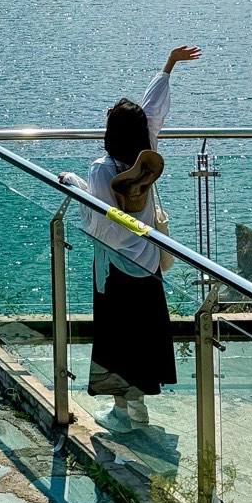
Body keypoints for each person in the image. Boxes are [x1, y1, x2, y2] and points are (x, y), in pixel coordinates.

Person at [61, 44, 200, 432]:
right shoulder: (148, 156)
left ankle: (124, 414)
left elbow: (100, 220)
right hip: (149, 262)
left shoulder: (103, 170)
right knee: (143, 335)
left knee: (118, 340)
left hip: (117, 269)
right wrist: (168, 67)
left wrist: (72, 182)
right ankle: (139, 411)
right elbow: (152, 110)